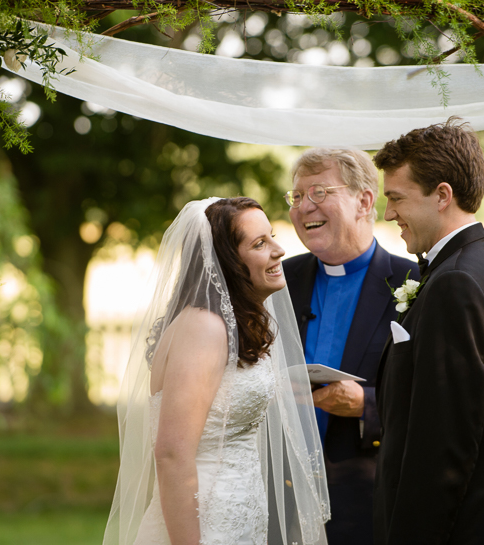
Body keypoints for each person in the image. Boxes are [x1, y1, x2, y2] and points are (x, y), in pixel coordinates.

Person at [103, 197, 330, 545]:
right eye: (259, 243)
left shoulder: (238, 323)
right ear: (228, 262)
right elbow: (171, 454)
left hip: (239, 517)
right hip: (200, 525)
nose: (279, 249)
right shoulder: (204, 327)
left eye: (271, 236)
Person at [371, 119, 484, 544]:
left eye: (396, 198)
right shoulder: (476, 265)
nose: (388, 214)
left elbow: (443, 448)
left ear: (442, 195)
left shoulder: (457, 282)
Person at [282, 148, 419, 545]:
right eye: (296, 197)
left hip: (367, 498)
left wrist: (367, 404)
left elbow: (435, 393)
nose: (305, 207)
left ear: (364, 201)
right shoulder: (278, 280)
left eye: (319, 192)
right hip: (281, 493)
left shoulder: (415, 282)